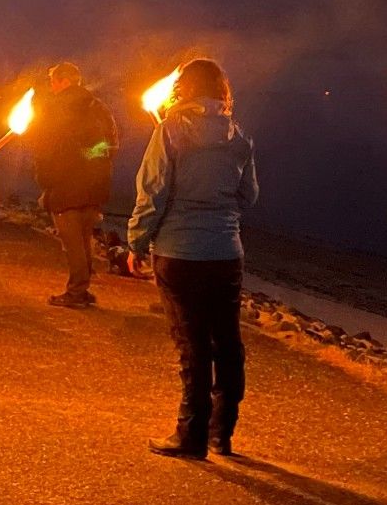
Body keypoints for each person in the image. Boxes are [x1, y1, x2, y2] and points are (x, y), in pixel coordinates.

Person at [128, 58, 258, 460]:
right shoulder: (238, 137)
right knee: (227, 344)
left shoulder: (169, 132)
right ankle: (223, 433)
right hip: (225, 253)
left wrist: (135, 242)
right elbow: (248, 197)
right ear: (222, 91)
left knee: (193, 346)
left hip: (178, 252)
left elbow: (153, 193)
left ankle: (191, 435)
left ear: (181, 88)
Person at [30, 62, 118, 309]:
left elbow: (43, 150)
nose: (51, 86)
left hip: (65, 186)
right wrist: (92, 160)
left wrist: (47, 180)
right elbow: (111, 145)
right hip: (95, 186)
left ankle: (77, 291)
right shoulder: (99, 108)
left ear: (63, 81)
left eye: (53, 81)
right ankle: (83, 287)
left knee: (73, 244)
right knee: (84, 238)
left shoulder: (54, 109)